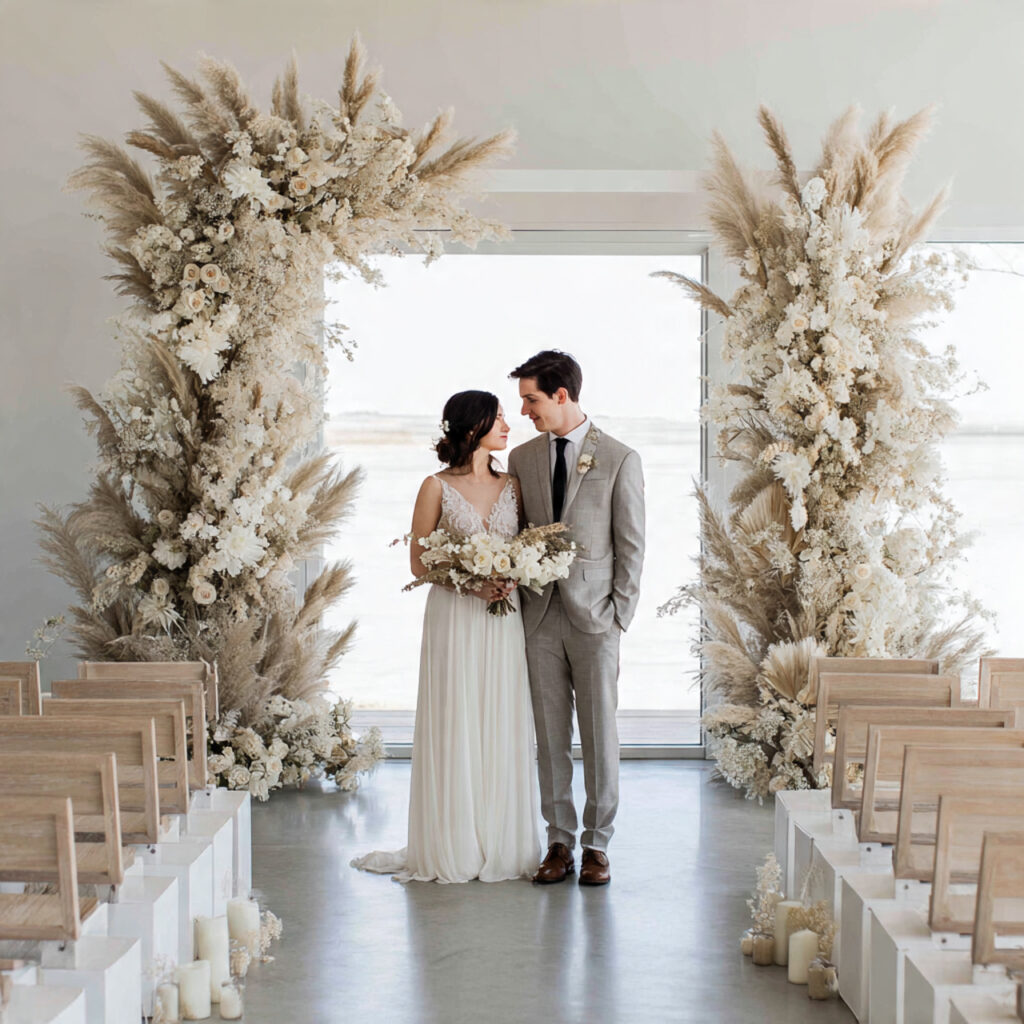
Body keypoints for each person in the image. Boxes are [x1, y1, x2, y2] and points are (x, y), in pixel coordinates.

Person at [351, 390, 539, 883]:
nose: (507, 424)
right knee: (456, 715)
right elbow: (418, 562)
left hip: (504, 612)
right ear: (473, 426)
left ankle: (500, 840)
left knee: (498, 715)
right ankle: (451, 842)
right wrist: (472, 585)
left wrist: (512, 575)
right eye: (498, 417)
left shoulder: (514, 485)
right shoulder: (435, 486)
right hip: (455, 616)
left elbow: (525, 547)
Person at [507, 351, 645, 886]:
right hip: (538, 616)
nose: (525, 411)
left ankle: (598, 845)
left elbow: (631, 546)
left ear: (561, 395)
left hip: (596, 621)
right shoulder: (522, 459)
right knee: (548, 737)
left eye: (531, 400)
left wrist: (618, 617)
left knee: (599, 735)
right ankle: (559, 841)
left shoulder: (619, 458)